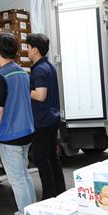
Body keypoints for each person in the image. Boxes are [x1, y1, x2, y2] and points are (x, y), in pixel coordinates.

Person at [0, 33, 36, 215]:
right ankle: (30, 212)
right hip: (26, 132)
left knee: (16, 178)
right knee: (24, 174)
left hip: (10, 135)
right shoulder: (22, 73)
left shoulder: (0, 75)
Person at [26, 33, 66, 200]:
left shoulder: (40, 70)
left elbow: (40, 95)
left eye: (27, 48)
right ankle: (60, 192)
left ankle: (49, 196)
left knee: (41, 159)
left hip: (41, 120)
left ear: (35, 49)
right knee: (52, 157)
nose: (26, 51)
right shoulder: (48, 66)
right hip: (51, 118)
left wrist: (24, 90)